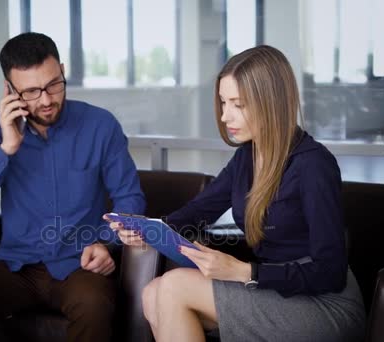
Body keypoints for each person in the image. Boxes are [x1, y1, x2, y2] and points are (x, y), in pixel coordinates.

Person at [107, 45, 366, 342]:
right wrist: (148, 230)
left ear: (271, 103)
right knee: (153, 294)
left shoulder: (313, 165)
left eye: (238, 104)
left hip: (324, 305)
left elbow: (330, 272)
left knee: (172, 287)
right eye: (223, 102)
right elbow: (196, 213)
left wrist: (245, 272)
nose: (225, 116)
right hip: (274, 291)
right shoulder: (247, 156)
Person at [0, 32, 146, 342]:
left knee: (93, 304)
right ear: (9, 90)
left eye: (53, 85)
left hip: (79, 266)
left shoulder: (100, 126)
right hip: (16, 266)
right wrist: (5, 149)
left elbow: (129, 198)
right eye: (32, 91)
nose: (46, 100)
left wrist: (107, 242)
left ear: (62, 70)